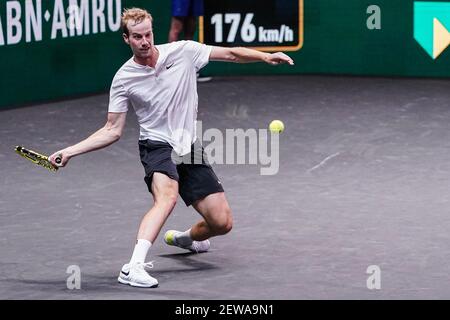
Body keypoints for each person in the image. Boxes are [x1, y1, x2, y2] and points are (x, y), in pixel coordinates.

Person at [49, 7, 294, 288]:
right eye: (137, 37)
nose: (145, 41)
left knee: (221, 222)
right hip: (156, 145)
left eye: (148, 34)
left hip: (187, 145)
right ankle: (133, 267)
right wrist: (70, 151)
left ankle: (186, 239)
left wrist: (265, 56)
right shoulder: (123, 78)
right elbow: (111, 130)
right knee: (167, 197)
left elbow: (231, 53)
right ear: (126, 39)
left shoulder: (184, 51)